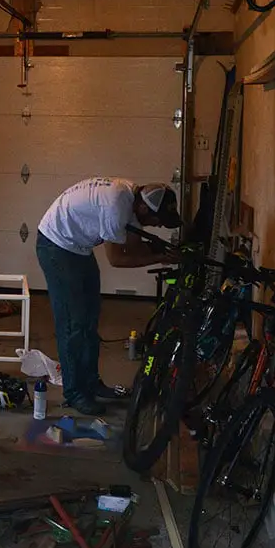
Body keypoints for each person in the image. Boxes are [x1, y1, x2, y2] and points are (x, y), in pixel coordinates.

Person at [36, 178, 181, 416]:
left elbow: (134, 245)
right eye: (156, 221)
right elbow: (119, 259)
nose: (156, 226)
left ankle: (91, 383)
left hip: (78, 247)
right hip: (57, 245)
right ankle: (74, 393)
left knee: (90, 318)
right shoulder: (116, 207)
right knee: (74, 323)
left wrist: (161, 250)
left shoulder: (133, 198)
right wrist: (160, 258)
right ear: (144, 209)